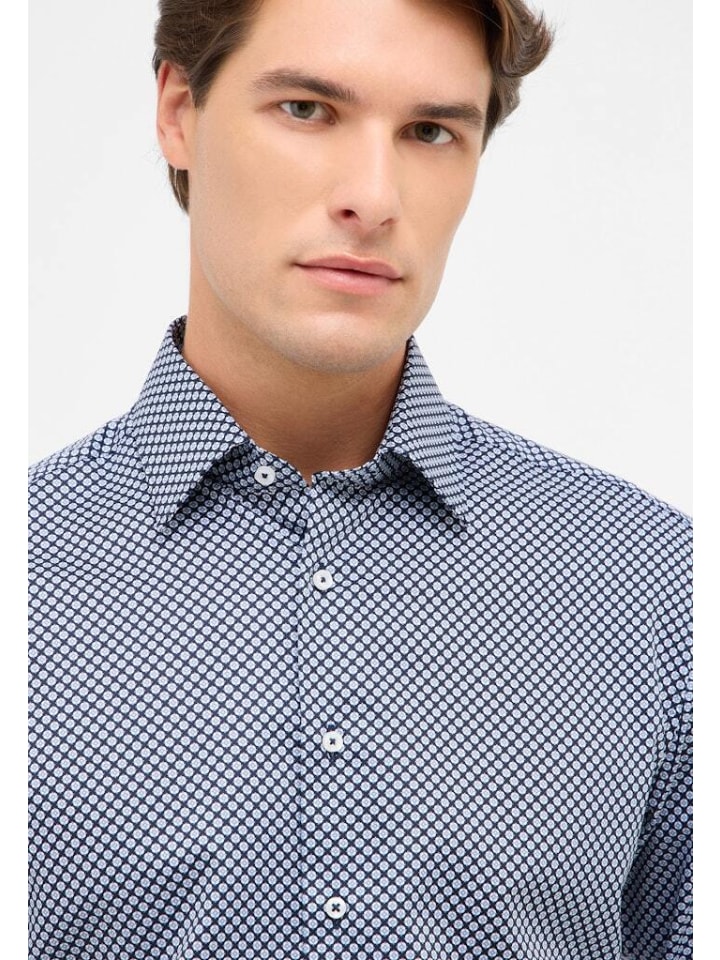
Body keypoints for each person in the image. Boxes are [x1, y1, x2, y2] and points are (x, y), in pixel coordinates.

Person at [28, 0, 692, 957]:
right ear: (178, 111)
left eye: (430, 131)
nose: (374, 197)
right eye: (306, 109)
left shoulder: (653, 583)